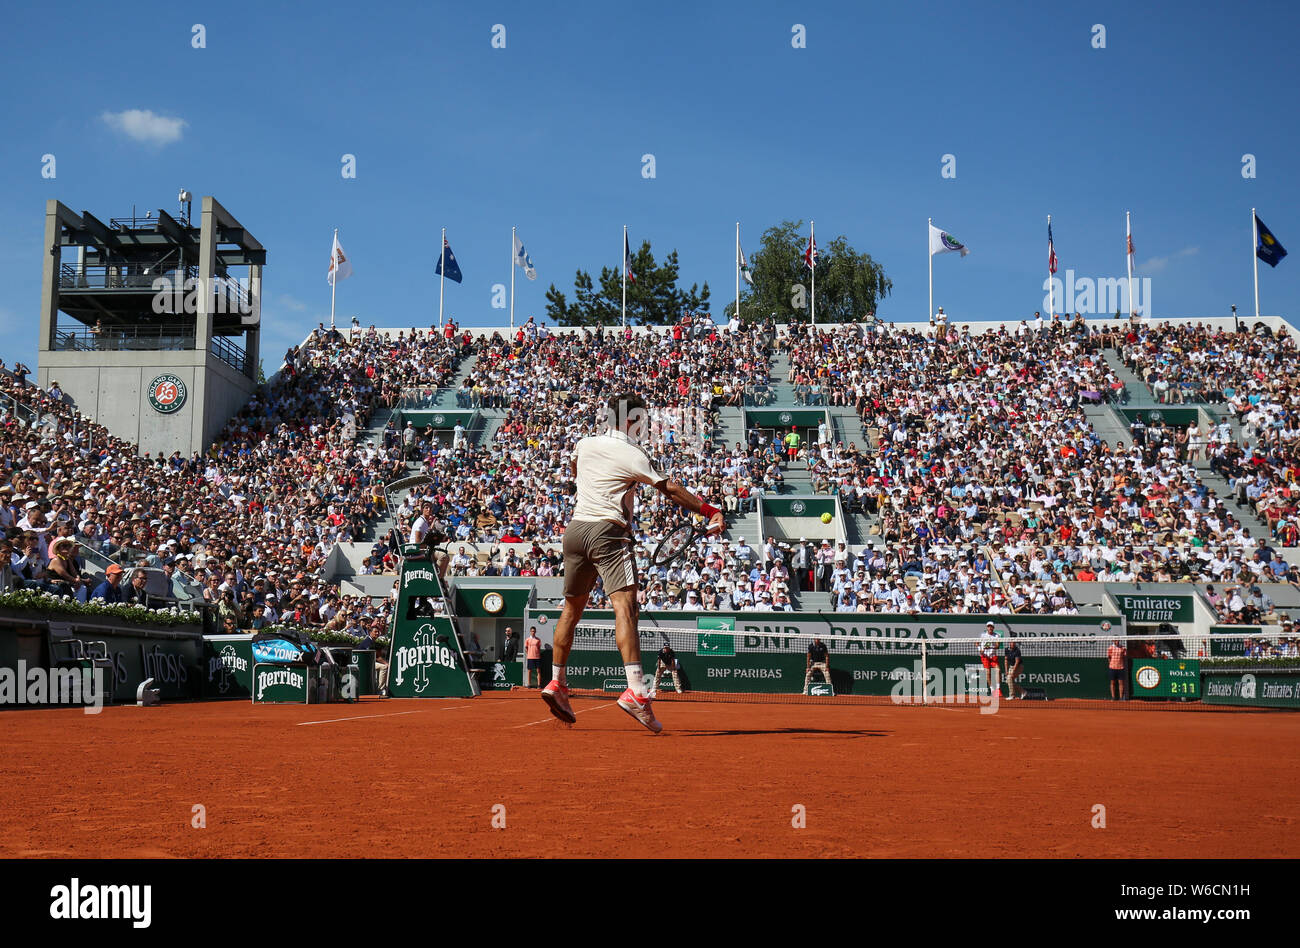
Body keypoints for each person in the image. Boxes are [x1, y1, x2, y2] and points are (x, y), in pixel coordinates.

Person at [543, 393, 724, 733]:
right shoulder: (632, 452)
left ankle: (556, 682)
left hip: (574, 531)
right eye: (642, 420)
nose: (645, 427)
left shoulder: (584, 444)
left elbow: (575, 470)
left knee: (571, 609)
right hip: (607, 533)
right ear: (630, 420)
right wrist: (709, 511)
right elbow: (668, 488)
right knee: (625, 609)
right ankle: (637, 691)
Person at [978, 620, 1001, 698]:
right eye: (988, 626)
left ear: (993, 628)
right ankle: (992, 690)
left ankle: (998, 689)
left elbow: (998, 646)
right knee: (988, 673)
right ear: (987, 627)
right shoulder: (982, 635)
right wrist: (980, 649)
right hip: (985, 656)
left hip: (993, 656)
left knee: (998, 670)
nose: (990, 628)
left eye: (991, 626)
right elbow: (977, 643)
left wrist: (990, 647)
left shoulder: (997, 635)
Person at [1003, 632, 1023, 700]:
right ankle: (1023, 691)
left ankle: (1012, 695)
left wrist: (1013, 671)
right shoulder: (1006, 649)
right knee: (1009, 680)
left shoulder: (1017, 650)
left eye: (1014, 642)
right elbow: (1006, 660)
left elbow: (1017, 662)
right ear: (1009, 642)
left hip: (1019, 667)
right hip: (1011, 666)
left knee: (1009, 679)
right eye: (1012, 642)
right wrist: (1006, 670)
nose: (1013, 643)